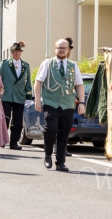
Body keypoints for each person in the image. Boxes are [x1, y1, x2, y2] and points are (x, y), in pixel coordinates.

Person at [34, 39, 85, 172]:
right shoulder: (47, 63)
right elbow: (38, 82)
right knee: (50, 129)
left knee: (64, 134)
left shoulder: (74, 66)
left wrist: (82, 102)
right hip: (51, 103)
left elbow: (79, 84)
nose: (61, 50)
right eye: (59, 48)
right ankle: (48, 154)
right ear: (55, 49)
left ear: (68, 50)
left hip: (67, 104)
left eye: (64, 48)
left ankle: (60, 162)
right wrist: (37, 100)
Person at [0, 41, 32, 150]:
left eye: (18, 52)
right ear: (11, 53)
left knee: (17, 122)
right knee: (5, 119)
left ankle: (14, 143)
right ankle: (2, 140)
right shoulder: (5, 63)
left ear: (21, 53)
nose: (16, 54)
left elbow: (28, 83)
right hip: (6, 95)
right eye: (14, 52)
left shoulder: (25, 65)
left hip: (19, 96)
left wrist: (28, 97)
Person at [53, 37, 75, 157]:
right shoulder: (55, 63)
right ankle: (56, 147)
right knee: (55, 126)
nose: (68, 51)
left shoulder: (71, 65)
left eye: (68, 49)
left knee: (65, 127)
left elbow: (73, 83)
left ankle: (62, 147)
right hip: (55, 100)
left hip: (68, 100)